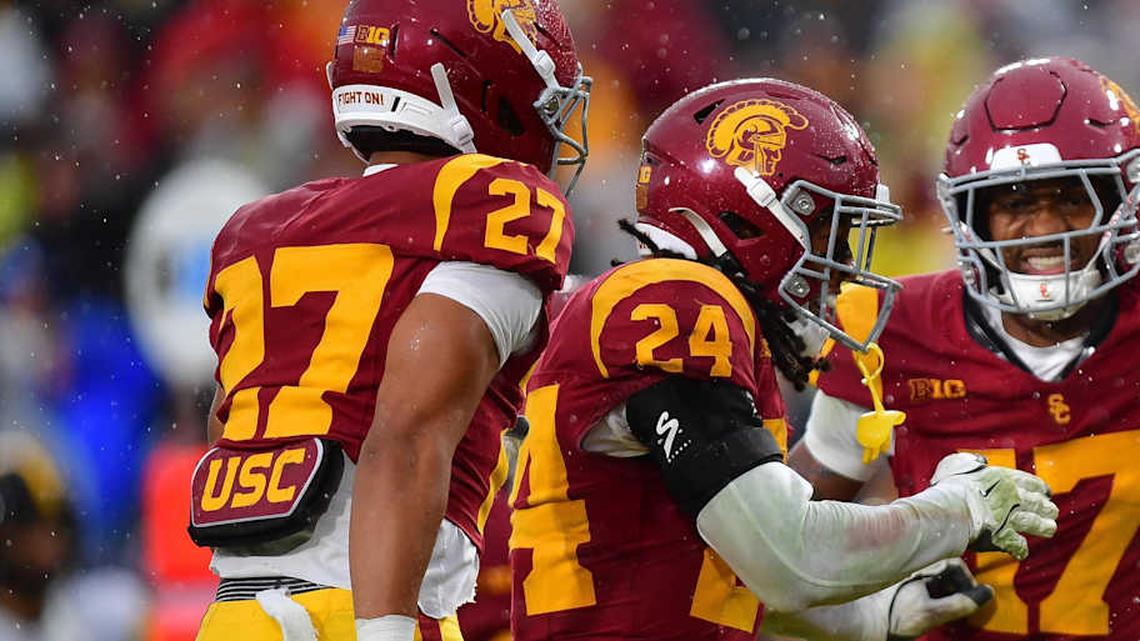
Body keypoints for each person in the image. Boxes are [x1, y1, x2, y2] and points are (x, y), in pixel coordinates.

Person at [508, 78, 1058, 641]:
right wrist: (960, 508)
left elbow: (724, 563)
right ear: (751, 218)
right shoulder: (675, 301)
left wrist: (873, 614)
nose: (842, 267)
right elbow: (787, 558)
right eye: (829, 233)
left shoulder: (687, 317)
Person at [188, 1, 590, 640]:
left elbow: (228, 424)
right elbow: (406, 434)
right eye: (545, 101)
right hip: (367, 608)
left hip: (235, 614)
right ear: (483, 84)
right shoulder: (485, 205)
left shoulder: (258, 229)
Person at [790, 56, 1140, 641]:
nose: (1045, 228)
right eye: (1017, 202)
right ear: (973, 215)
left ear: (1120, 203)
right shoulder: (894, 331)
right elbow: (786, 540)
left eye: (1072, 196)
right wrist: (875, 610)